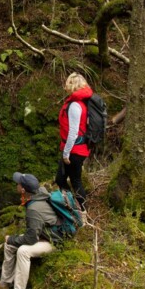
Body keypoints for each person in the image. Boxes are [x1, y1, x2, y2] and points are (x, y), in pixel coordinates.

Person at [0, 172, 59, 289]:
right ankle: (4, 285)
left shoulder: (34, 208)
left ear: (23, 189)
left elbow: (31, 239)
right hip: (43, 235)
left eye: (18, 183)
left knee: (23, 251)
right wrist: (11, 241)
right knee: (9, 246)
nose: (16, 185)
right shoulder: (38, 193)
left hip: (54, 241)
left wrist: (11, 238)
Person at [57, 72, 91, 211]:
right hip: (77, 148)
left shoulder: (75, 105)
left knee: (76, 182)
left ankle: (83, 211)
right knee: (60, 179)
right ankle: (70, 207)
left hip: (74, 150)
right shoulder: (81, 103)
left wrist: (66, 154)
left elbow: (73, 132)